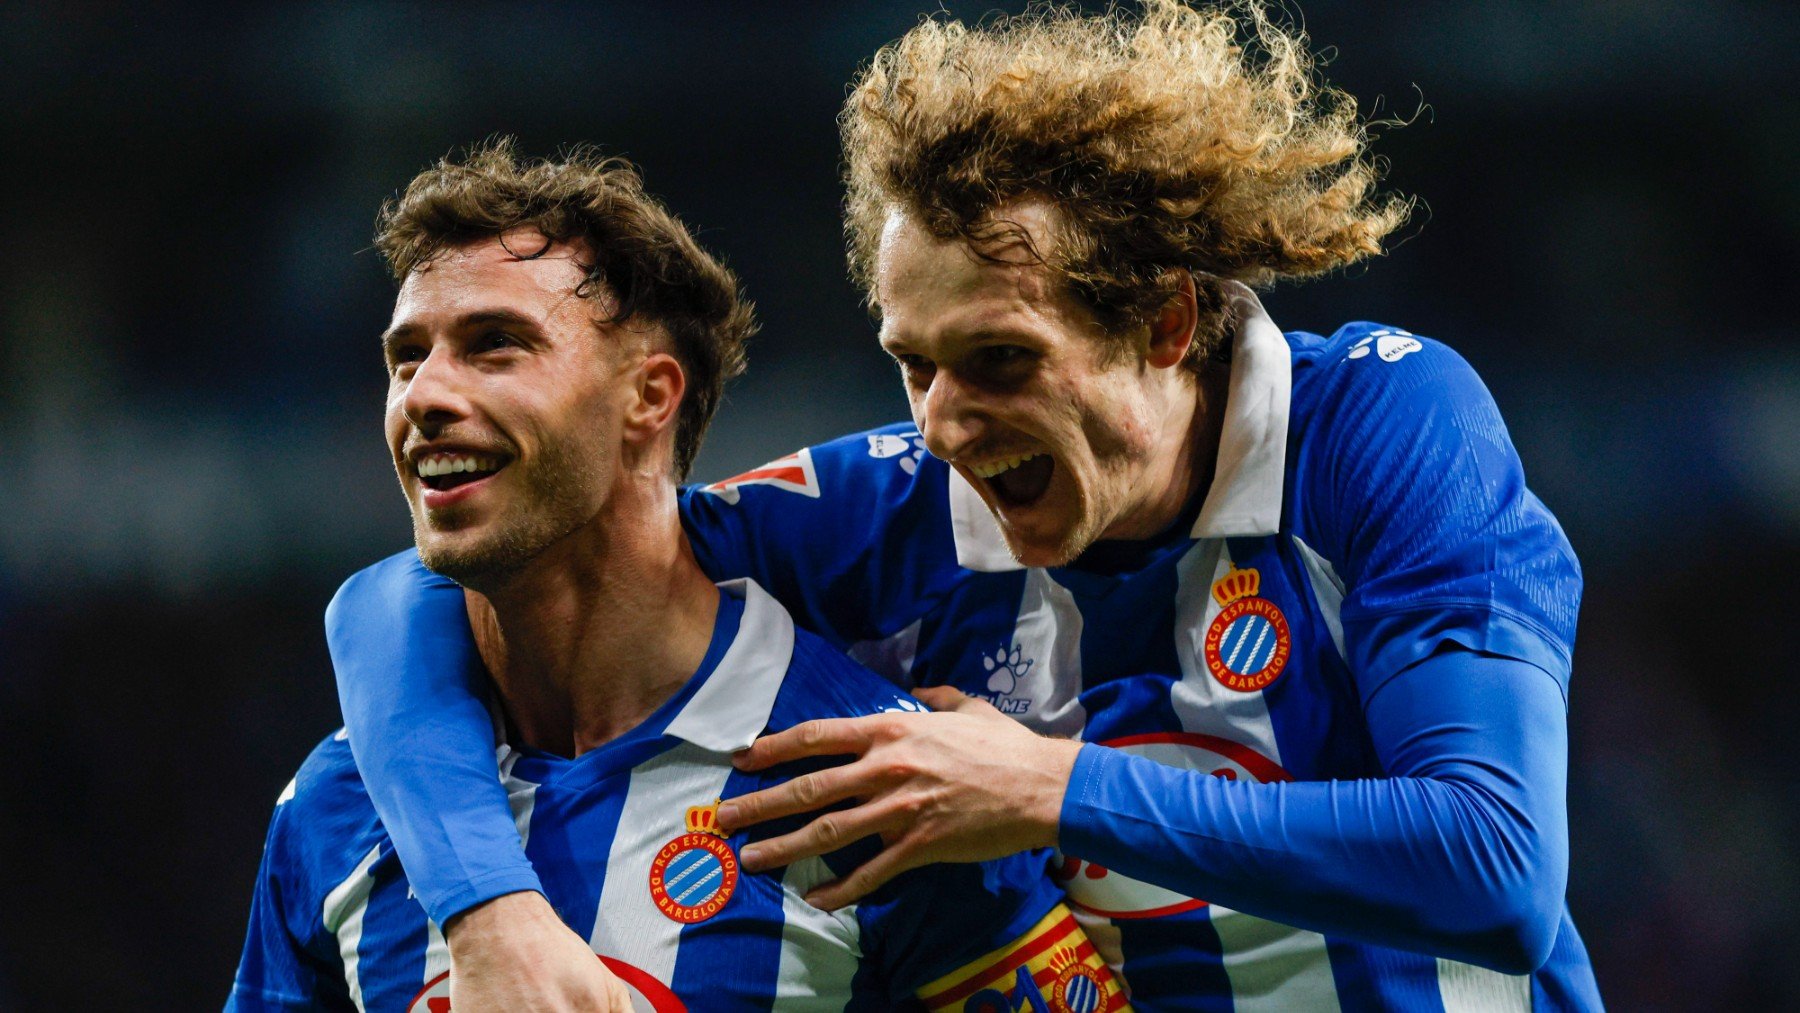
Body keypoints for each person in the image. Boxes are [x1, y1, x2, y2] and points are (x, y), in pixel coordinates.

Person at [326, 3, 1604, 1009]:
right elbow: (430, 591)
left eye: (998, 360)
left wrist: (1050, 788)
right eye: (912, 362)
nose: (939, 422)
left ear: (1162, 322)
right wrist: (488, 905)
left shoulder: (1377, 428)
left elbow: (1493, 862)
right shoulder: (896, 504)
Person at [226, 143, 1127, 1012]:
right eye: (406, 356)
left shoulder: (881, 784)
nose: (422, 394)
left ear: (649, 397)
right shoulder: (342, 801)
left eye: (495, 345)